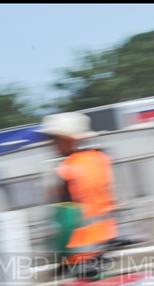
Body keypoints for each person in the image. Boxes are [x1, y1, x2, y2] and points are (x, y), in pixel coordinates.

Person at [39, 112, 118, 274]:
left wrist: (60, 257)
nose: (52, 145)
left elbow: (65, 219)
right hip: (103, 244)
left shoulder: (66, 170)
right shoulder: (100, 160)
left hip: (78, 253)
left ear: (70, 139)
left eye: (55, 139)